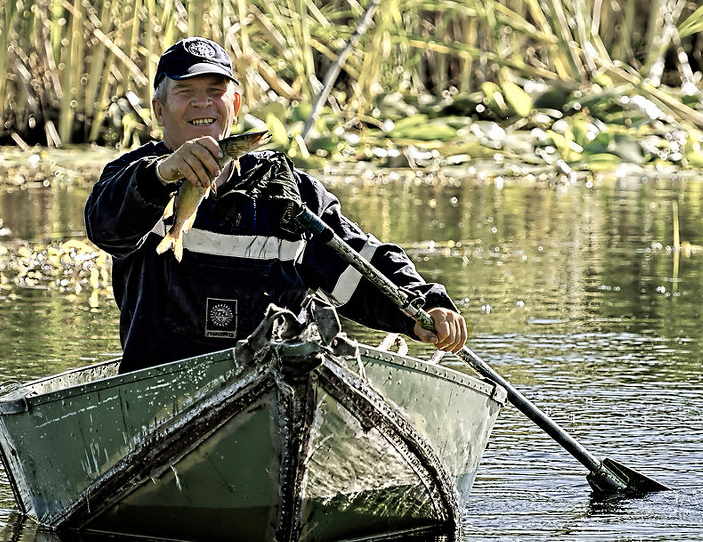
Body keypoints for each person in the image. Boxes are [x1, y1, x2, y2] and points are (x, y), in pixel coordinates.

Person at [85, 36, 467, 373]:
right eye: (185, 92)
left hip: (275, 380)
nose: (202, 103)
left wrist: (421, 307)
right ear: (159, 110)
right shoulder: (136, 177)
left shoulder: (285, 190)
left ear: (234, 105)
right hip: (161, 385)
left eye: (215, 91)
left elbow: (357, 262)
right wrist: (164, 174)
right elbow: (106, 228)